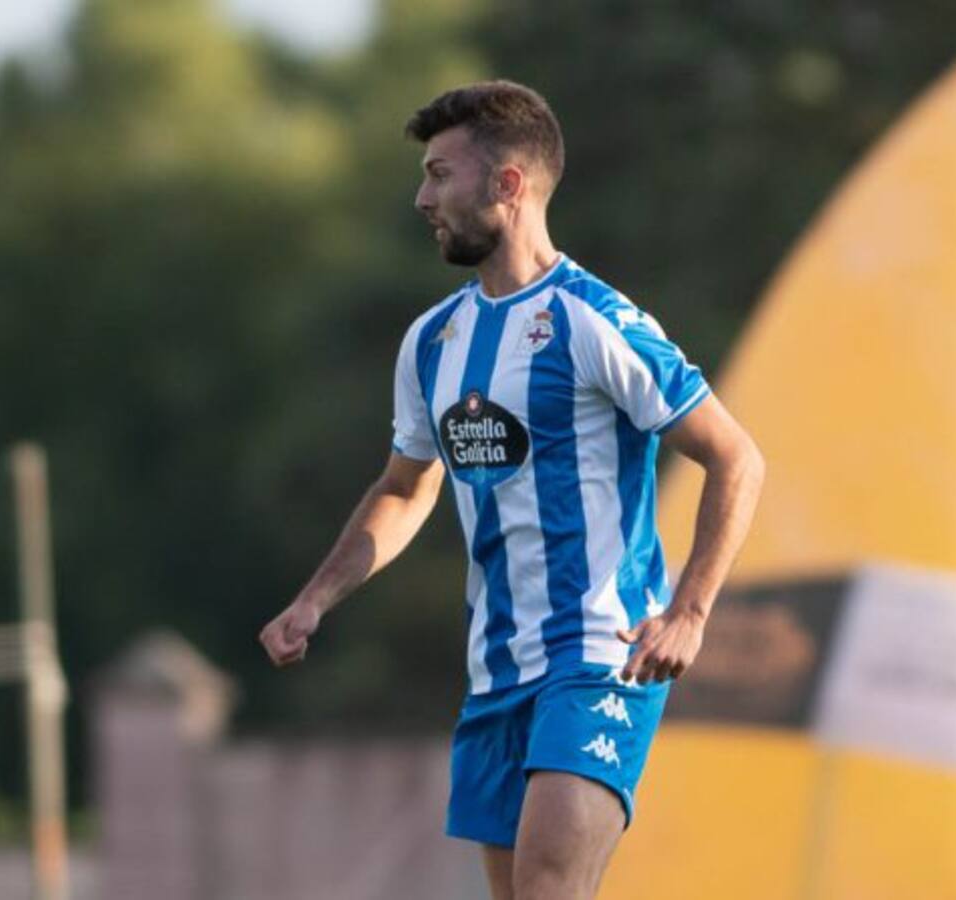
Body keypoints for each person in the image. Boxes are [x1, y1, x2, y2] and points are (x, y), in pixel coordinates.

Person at [260, 80, 765, 900]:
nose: (423, 199)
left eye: (439, 174)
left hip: (600, 655)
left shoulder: (594, 321)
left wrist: (690, 613)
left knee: (547, 886)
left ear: (508, 184)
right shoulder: (433, 340)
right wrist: (316, 599)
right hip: (496, 672)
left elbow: (736, 458)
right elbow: (404, 489)